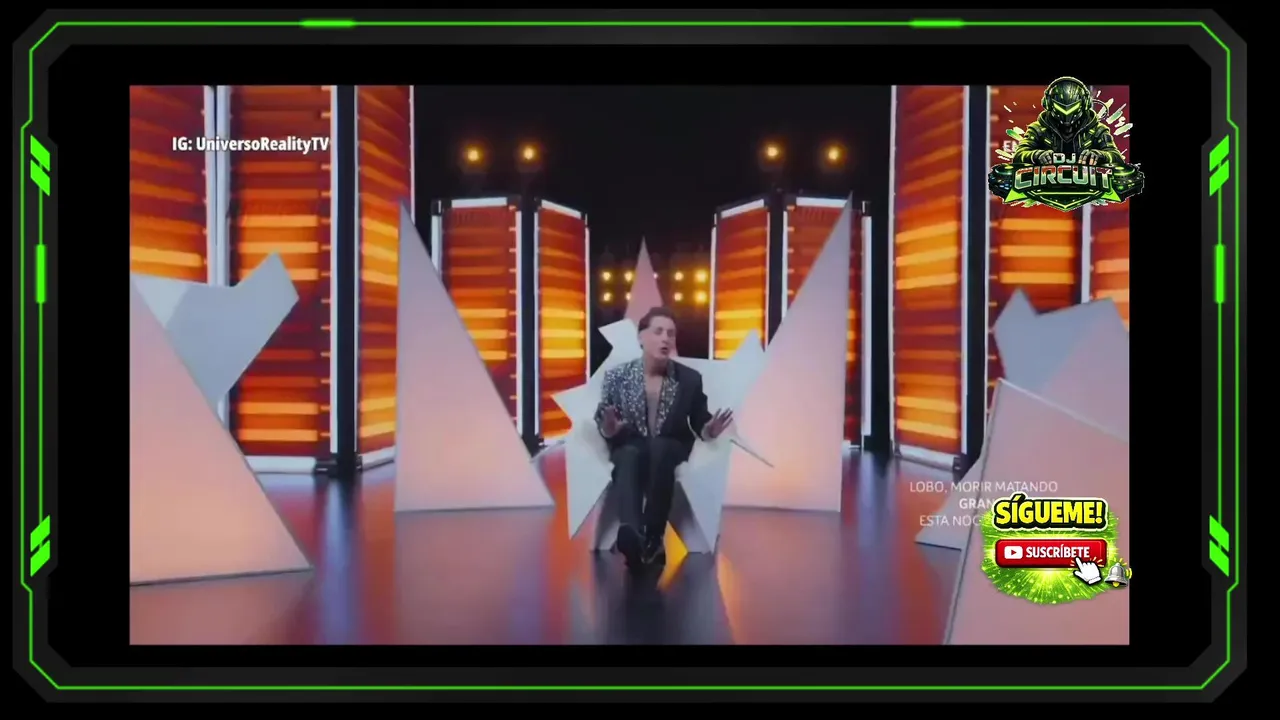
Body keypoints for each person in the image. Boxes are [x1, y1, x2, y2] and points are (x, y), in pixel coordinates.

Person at [595, 307, 734, 569]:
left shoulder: (689, 379)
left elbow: (699, 420)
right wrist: (610, 428)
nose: (665, 339)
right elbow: (604, 418)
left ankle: (653, 535)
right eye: (658, 332)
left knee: (660, 449)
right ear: (641, 337)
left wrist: (710, 430)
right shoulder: (617, 377)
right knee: (628, 455)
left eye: (671, 334)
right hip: (631, 442)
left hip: (671, 444)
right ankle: (633, 534)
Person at [1012, 76, 1125, 167]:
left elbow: (1117, 158)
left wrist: (1101, 156)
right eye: (1060, 108)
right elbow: (1019, 155)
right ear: (1048, 104)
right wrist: (1035, 155)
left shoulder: (1097, 130)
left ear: (1084, 104)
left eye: (1073, 108)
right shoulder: (1037, 129)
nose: (1067, 114)